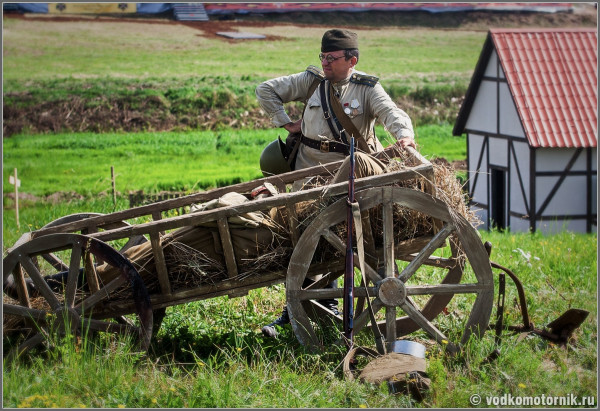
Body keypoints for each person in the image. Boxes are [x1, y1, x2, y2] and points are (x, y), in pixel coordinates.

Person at [255, 28, 416, 337]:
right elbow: (266, 90)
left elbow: (391, 113)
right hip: (306, 176)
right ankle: (301, 309)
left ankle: (313, 307)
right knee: (302, 238)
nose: (325, 63)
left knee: (331, 242)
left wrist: (404, 136)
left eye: (332, 58)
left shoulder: (367, 89)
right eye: (323, 57)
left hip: (348, 176)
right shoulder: (312, 82)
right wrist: (285, 122)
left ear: (352, 60)